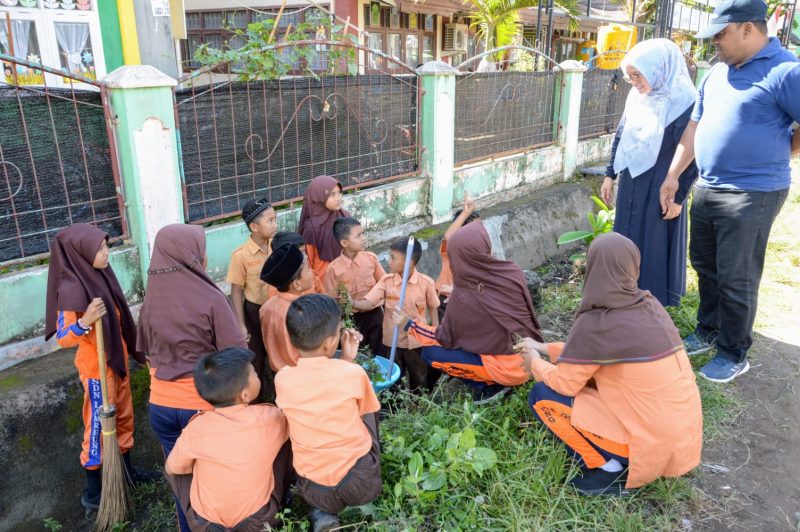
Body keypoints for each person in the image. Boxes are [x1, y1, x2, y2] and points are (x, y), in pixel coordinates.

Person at [660, 0, 800, 382]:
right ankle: (708, 329)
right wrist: (674, 175)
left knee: (737, 275)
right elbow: (694, 127)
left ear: (747, 29)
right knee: (705, 264)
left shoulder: (786, 70)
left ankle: (734, 352)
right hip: (708, 185)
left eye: (720, 34)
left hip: (754, 192)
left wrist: (781, 151)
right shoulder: (717, 73)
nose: (715, 43)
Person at [515, 232, 703, 496]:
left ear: (593, 267)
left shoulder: (597, 322)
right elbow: (590, 355)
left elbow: (564, 384)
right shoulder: (650, 307)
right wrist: (544, 348)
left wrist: (535, 362)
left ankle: (609, 469)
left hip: (646, 444)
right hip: (682, 439)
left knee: (543, 395)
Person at [138, 223, 247, 532]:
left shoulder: (150, 302)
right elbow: (236, 353)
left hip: (161, 406)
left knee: (181, 477)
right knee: (213, 477)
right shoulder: (210, 298)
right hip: (202, 405)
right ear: (194, 257)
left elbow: (146, 354)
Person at [45, 224, 155, 511]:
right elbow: (63, 337)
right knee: (97, 427)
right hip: (96, 371)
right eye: (100, 249)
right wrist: (85, 321)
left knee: (124, 417)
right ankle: (94, 492)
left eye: (106, 246)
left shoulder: (103, 275)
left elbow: (121, 320)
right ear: (81, 253)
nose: (107, 253)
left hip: (116, 361)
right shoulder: (70, 289)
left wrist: (137, 353)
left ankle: (126, 473)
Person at [390, 222, 542, 404]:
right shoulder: (511, 271)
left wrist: (409, 324)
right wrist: (459, 293)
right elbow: (488, 298)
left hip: (508, 372)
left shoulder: (463, 298)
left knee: (430, 353)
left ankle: (489, 386)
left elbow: (441, 338)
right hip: (531, 359)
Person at [599, 38, 698, 307]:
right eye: (629, 76)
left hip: (662, 186)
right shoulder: (637, 96)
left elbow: (693, 153)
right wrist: (610, 174)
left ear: (658, 69)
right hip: (632, 180)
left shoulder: (684, 101)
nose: (634, 82)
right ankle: (622, 292)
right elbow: (622, 134)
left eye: (638, 75)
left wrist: (679, 198)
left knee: (653, 244)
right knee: (626, 236)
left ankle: (653, 304)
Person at [275, 295, 381, 532]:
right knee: (369, 409)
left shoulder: (282, 379)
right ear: (330, 343)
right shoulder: (353, 373)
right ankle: (363, 497)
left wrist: (345, 360)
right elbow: (364, 408)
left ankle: (322, 514)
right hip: (360, 482)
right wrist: (348, 362)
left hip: (314, 489)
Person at [165, 348, 293, 531]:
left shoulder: (196, 427)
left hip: (207, 524)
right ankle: (284, 502)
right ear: (245, 395)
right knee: (287, 439)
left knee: (176, 468)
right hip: (257, 521)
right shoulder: (270, 418)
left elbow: (172, 468)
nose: (257, 375)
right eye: (254, 373)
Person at [353, 236, 440, 392]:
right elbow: (369, 303)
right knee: (393, 379)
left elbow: (433, 307)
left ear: (409, 262)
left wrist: (435, 336)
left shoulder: (426, 283)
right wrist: (351, 303)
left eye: (393, 258)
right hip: (392, 342)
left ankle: (418, 402)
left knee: (419, 376)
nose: (389, 261)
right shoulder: (386, 282)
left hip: (416, 342)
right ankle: (396, 403)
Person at [226, 198, 278, 402]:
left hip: (277, 309)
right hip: (254, 312)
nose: (275, 224)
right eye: (270, 221)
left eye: (275, 219)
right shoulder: (241, 255)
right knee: (255, 360)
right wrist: (241, 325)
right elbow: (236, 291)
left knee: (279, 356)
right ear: (254, 227)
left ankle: (281, 402)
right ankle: (256, 405)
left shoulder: (277, 246)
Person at [323, 217, 386, 356]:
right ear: (344, 243)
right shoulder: (333, 269)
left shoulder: (371, 259)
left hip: (375, 315)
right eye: (358, 236)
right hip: (351, 320)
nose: (363, 238)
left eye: (363, 234)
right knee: (356, 355)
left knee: (381, 352)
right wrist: (341, 325)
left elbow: (385, 285)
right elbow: (332, 302)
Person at [259, 244, 316, 376]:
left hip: (279, 374)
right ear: (296, 284)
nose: (312, 272)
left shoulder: (266, 307)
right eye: (308, 269)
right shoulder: (302, 313)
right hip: (301, 375)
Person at [436, 197, 480, 320]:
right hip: (445, 298)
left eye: (480, 226)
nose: (480, 230)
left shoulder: (480, 250)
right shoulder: (452, 248)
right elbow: (448, 236)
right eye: (475, 228)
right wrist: (465, 213)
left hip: (467, 298)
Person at [297, 175, 350, 279]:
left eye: (339, 193)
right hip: (322, 281)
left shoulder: (345, 216)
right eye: (332, 194)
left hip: (345, 276)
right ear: (319, 197)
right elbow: (309, 260)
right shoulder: (311, 227)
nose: (338, 198)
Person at [267, 231, 324, 298]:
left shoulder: (310, 274)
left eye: (304, 252)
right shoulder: (276, 287)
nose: (306, 256)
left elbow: (323, 297)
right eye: (300, 253)